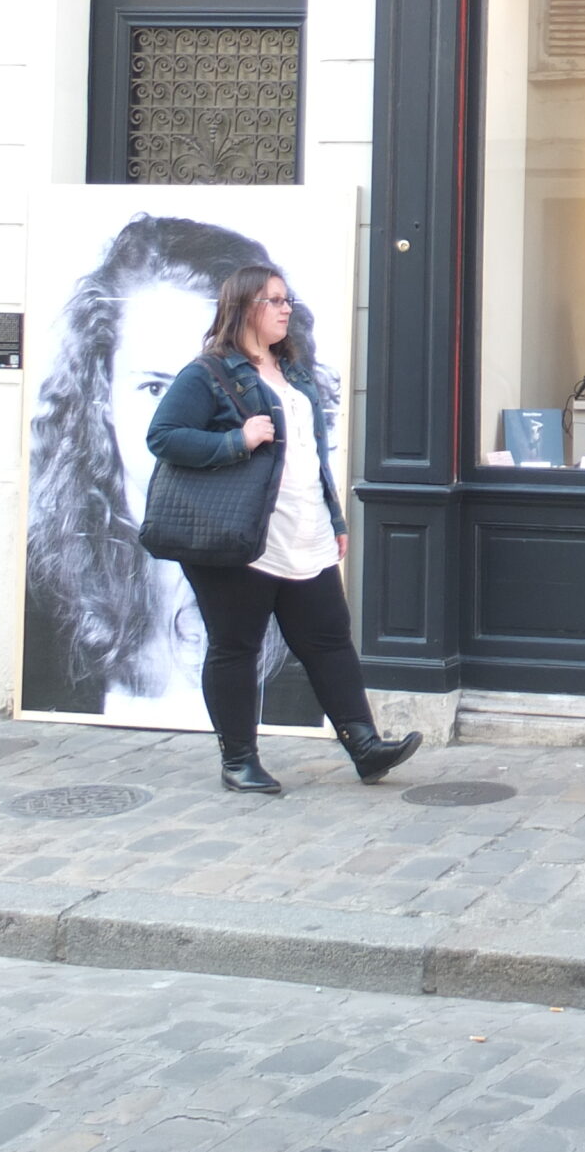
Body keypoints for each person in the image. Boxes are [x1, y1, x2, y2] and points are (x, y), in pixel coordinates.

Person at [23, 214, 319, 724]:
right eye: (155, 387)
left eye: (221, 385)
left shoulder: (294, 568)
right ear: (102, 395)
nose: (190, 420)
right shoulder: (44, 589)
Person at [146, 265, 422, 795]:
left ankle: (365, 746)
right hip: (240, 536)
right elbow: (164, 436)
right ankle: (239, 761)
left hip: (304, 529)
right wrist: (236, 440)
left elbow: (312, 456)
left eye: (286, 299)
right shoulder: (209, 373)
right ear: (245, 307)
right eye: (273, 300)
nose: (285, 308)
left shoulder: (293, 372)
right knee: (236, 646)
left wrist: (333, 518)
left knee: (329, 639)